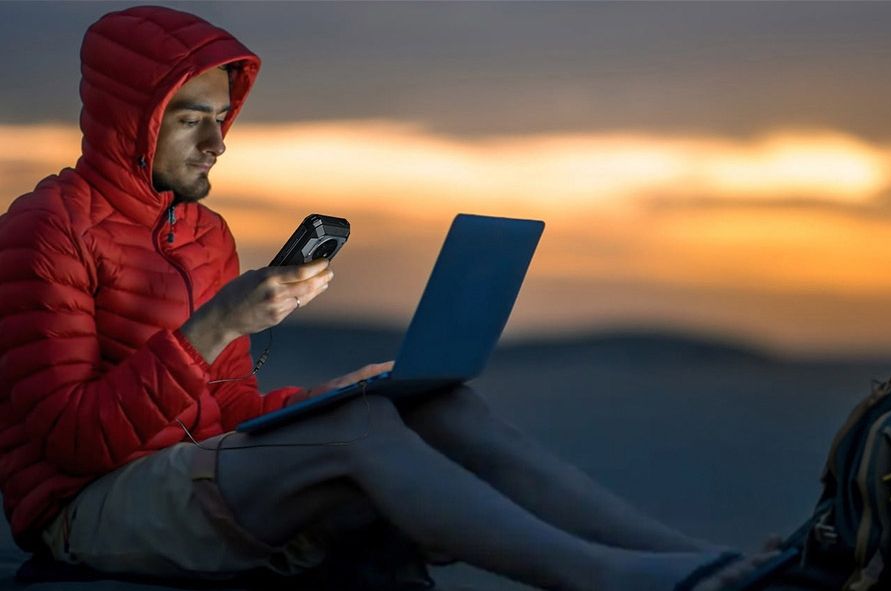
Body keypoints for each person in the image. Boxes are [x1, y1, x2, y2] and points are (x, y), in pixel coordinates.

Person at [0, 7, 767, 591]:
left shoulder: (207, 233)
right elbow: (72, 441)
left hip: (193, 475)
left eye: (221, 116)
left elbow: (229, 417)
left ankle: (693, 561)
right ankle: (620, 581)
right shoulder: (47, 229)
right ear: (127, 120)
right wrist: (217, 323)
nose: (217, 141)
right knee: (358, 435)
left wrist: (329, 396)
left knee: (427, 406)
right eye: (191, 118)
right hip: (88, 508)